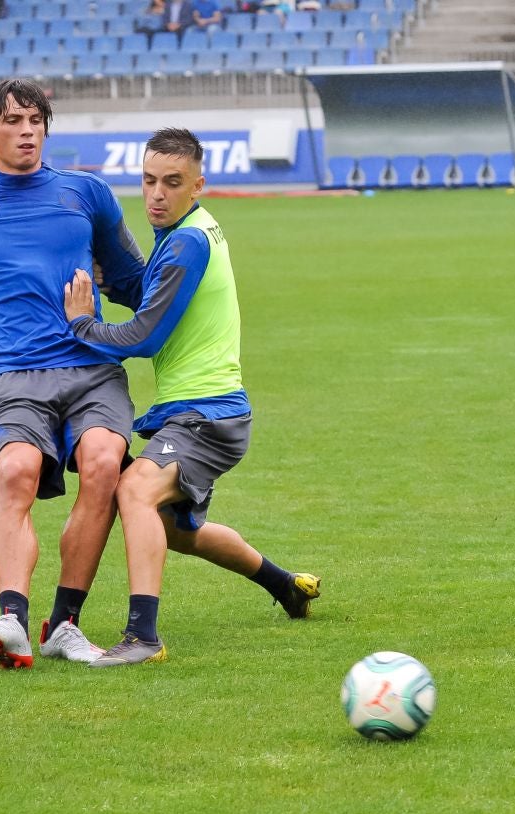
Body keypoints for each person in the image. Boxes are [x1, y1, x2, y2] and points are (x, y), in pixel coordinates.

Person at [61, 128, 321, 666]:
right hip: (203, 413)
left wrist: (84, 324)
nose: (157, 193)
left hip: (207, 416)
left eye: (173, 183)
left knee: (133, 491)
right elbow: (157, 292)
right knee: (174, 531)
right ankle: (285, 584)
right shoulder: (186, 231)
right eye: (149, 181)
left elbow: (144, 335)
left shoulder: (186, 241)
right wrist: (116, 281)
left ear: (199, 184)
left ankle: (143, 637)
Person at [0, 79, 147, 670]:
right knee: (17, 473)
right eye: (13, 121)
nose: (27, 130)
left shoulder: (87, 193)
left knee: (103, 463)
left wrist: (186, 292)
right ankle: (13, 621)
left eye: (35, 120)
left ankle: (65, 625)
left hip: (91, 367)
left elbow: (133, 281)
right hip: (15, 375)